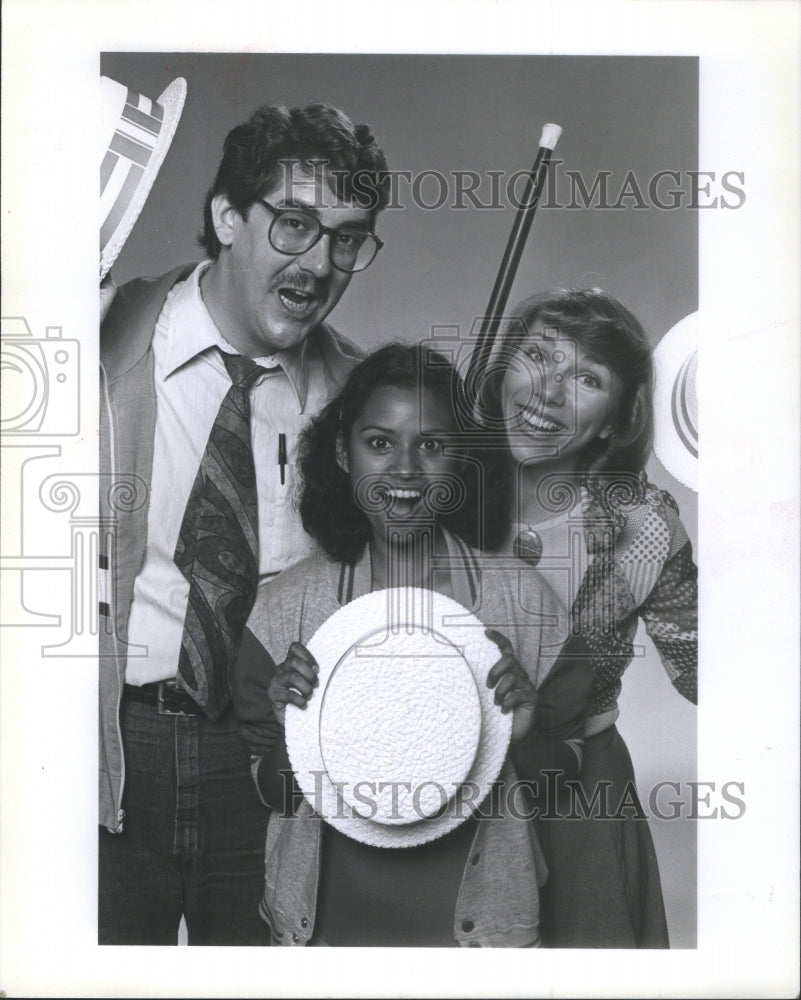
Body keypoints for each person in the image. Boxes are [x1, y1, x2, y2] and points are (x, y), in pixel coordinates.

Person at [98, 102, 390, 945]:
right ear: (228, 217)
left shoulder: (361, 400)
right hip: (109, 740)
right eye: (294, 224)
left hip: (270, 755)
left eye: (347, 237)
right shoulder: (96, 338)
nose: (322, 261)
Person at [232, 343, 593, 947]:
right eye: (380, 442)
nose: (404, 469)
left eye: (430, 445)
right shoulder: (285, 609)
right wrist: (292, 735)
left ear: (459, 462)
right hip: (329, 928)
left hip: (477, 932)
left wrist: (522, 740)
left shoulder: (524, 603)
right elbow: (270, 790)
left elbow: (567, 783)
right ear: (344, 454)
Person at [479, 287, 698, 948]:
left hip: (580, 801)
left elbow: (710, 674)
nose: (547, 391)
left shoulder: (643, 524)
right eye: (537, 356)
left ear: (613, 419)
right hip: (445, 786)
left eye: (585, 378)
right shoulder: (427, 489)